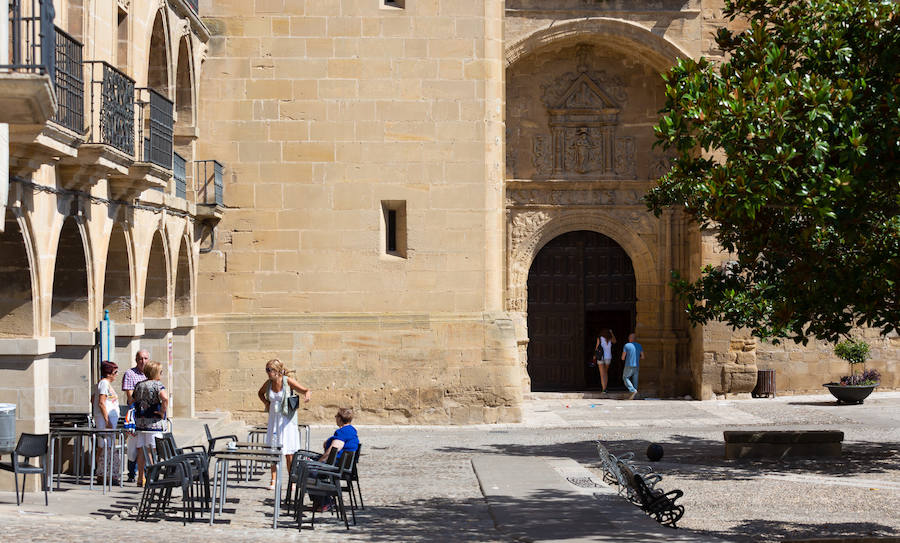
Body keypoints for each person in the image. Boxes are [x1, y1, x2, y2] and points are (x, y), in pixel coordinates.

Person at [257, 358, 311, 490]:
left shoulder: (287, 381)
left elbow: (305, 390)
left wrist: (307, 396)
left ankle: (292, 480)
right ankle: (273, 480)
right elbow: (260, 393)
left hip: (287, 421)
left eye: (269, 370)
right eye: (266, 370)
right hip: (274, 420)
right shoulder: (268, 383)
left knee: (289, 452)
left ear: (277, 371)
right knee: (273, 450)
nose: (267, 372)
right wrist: (266, 403)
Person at [314, 407, 359, 512]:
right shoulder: (351, 430)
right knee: (312, 466)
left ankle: (325, 502)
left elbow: (333, 450)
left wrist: (319, 461)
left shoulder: (343, 432)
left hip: (337, 466)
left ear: (340, 418)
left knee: (311, 471)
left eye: (336, 416)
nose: (335, 418)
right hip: (344, 465)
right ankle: (321, 501)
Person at [132, 360, 168, 487]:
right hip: (153, 422)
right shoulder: (157, 385)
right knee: (152, 450)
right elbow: (165, 398)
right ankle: (151, 477)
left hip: (140, 422)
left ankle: (140, 477)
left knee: (141, 450)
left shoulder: (139, 385)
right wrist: (162, 411)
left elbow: (132, 398)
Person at [122, 350, 149, 483]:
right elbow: (130, 397)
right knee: (133, 446)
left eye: (145, 358)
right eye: (140, 359)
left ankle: (144, 473)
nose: (143, 361)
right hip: (136, 414)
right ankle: (132, 473)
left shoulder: (151, 373)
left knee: (145, 445)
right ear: (136, 359)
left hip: (148, 416)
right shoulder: (130, 374)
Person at [92, 361, 121, 483]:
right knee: (105, 446)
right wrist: (107, 419)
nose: (116, 375)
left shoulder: (103, 383)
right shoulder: (104, 383)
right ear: (109, 373)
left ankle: (106, 473)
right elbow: (101, 402)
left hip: (106, 418)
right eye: (115, 372)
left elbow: (93, 398)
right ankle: (103, 474)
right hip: (105, 420)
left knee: (107, 446)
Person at [621, 332, 645, 400]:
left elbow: (623, 357)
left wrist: (623, 358)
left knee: (625, 377)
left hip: (629, 364)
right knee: (635, 380)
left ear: (630, 338)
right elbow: (643, 357)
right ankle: (635, 396)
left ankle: (632, 390)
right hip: (636, 365)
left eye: (629, 337)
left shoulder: (627, 345)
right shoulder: (639, 345)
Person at [594, 329, 616, 394]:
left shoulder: (600, 338)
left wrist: (594, 356)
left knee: (602, 374)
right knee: (605, 373)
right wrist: (612, 333)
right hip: (608, 357)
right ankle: (605, 388)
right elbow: (615, 341)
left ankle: (603, 389)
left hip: (601, 357)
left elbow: (597, 348)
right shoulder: (610, 339)